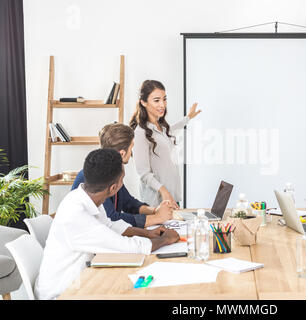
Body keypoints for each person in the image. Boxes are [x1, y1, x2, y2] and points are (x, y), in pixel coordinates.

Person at [35, 149, 180, 300]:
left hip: (80, 281)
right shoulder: (77, 216)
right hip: (62, 293)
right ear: (113, 188)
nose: (123, 184)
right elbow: (130, 248)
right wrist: (165, 239)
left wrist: (148, 233)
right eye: (122, 180)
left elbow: (110, 226)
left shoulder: (84, 198)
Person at [71, 123, 174, 228]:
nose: (132, 153)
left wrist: (155, 211)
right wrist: (157, 218)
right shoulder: (94, 176)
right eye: (131, 148)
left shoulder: (112, 171)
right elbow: (111, 219)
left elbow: (129, 203)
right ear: (122, 154)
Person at [130, 80, 202, 208]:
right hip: (157, 200)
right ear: (143, 102)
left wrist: (188, 118)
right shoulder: (140, 133)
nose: (162, 105)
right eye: (156, 100)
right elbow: (143, 173)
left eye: (164, 99)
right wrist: (164, 191)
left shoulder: (161, 127)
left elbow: (172, 129)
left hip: (171, 196)